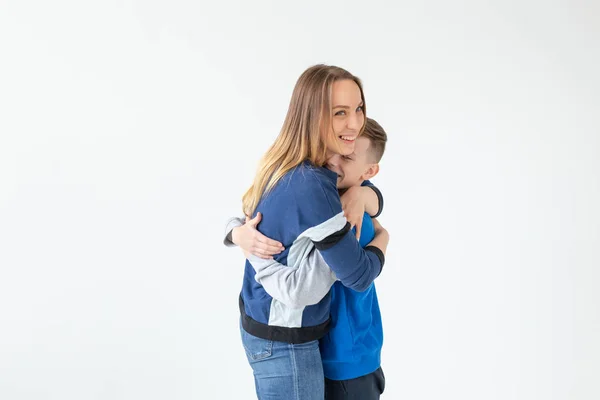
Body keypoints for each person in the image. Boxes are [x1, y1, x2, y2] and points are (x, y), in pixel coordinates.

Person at [224, 64, 390, 399]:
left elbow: (247, 213)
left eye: (358, 108)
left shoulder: (289, 159)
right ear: (313, 115)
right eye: (339, 112)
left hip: (265, 327)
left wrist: (365, 193)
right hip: (285, 340)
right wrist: (384, 238)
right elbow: (357, 275)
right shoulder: (315, 185)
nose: (355, 123)